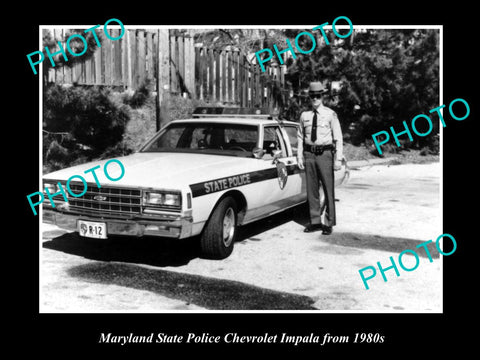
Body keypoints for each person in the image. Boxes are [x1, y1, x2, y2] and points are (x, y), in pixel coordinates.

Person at [297, 81, 344, 235]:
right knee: (311, 189)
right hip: (309, 154)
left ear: (322, 96)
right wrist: (299, 155)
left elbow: (338, 138)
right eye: (312, 96)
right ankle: (315, 221)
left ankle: (329, 222)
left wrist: (337, 159)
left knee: (327, 188)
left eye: (318, 96)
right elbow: (300, 137)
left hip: (325, 154)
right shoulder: (305, 116)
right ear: (309, 97)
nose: (315, 99)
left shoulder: (330, 114)